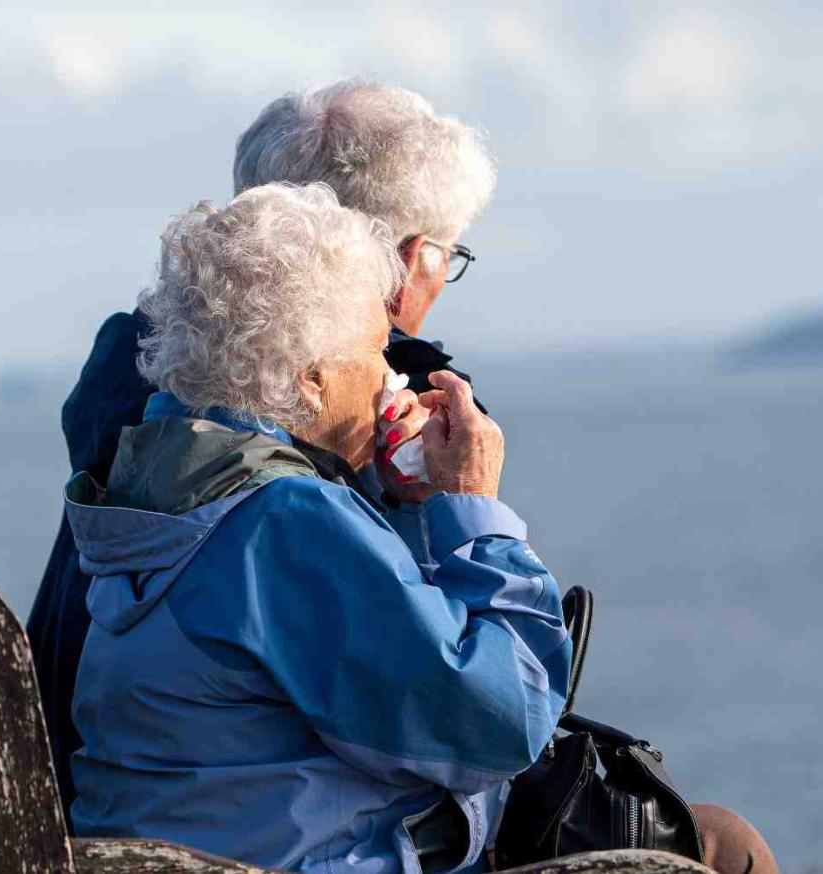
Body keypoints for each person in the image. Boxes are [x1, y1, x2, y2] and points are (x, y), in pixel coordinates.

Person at [64, 182, 571, 874]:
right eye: (375, 349)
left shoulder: (165, 481)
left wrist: (399, 500)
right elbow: (500, 723)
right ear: (310, 380)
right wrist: (473, 508)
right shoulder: (282, 523)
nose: (391, 373)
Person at [28, 78, 497, 819]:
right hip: (238, 826)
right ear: (404, 259)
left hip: (80, 779)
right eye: (449, 250)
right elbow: (471, 719)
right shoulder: (369, 412)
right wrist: (465, 507)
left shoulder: (144, 374)